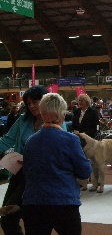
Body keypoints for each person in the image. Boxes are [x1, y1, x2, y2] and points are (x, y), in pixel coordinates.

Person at [22, 93, 92, 235]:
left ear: (41, 113)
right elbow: (85, 172)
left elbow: (27, 172)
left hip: (34, 202)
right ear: (62, 114)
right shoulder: (71, 140)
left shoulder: (30, 141)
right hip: (64, 202)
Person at [0, 86, 67, 234]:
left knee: (33, 221)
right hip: (20, 175)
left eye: (35, 102)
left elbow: (63, 150)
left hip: (43, 178)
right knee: (6, 218)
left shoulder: (58, 121)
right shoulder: (22, 120)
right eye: (28, 103)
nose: (31, 106)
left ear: (45, 101)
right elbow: (6, 141)